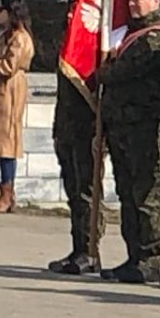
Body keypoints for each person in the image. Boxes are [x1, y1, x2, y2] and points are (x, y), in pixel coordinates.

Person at [98, 0, 160, 284]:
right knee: (128, 196)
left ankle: (150, 258)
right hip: (124, 130)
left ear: (156, 1)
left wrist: (105, 69)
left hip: (146, 130)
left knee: (146, 197)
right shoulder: (133, 34)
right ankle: (134, 257)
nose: (132, 3)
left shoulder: (155, 38)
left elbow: (119, 73)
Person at [48, 43, 99, 273]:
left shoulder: (90, 45)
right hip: (68, 129)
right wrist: (58, 130)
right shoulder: (70, 47)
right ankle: (78, 247)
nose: (71, 14)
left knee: (85, 191)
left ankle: (89, 250)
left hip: (86, 131)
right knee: (73, 191)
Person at [0, 0, 35, 214]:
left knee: (7, 143)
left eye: (0, 9)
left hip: (9, 92)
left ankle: (7, 193)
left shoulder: (20, 37)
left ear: (11, 12)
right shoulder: (2, 33)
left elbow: (9, 66)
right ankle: (4, 194)